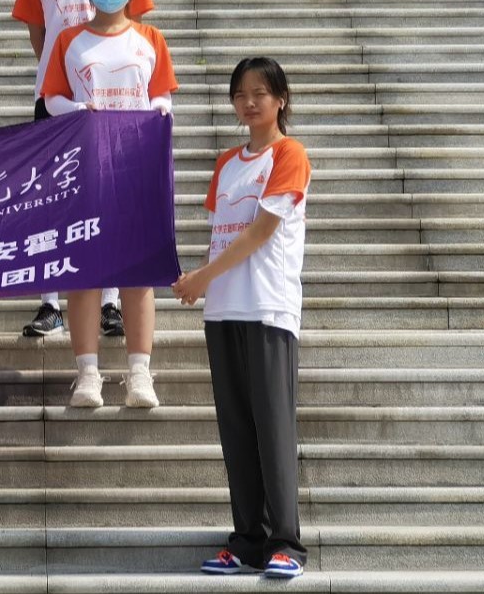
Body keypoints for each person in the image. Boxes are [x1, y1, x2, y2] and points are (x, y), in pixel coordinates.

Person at [173, 57, 310, 579]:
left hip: (268, 306)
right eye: (240, 94)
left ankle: (286, 543)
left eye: (260, 93)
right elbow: (221, 233)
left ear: (280, 99)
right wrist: (201, 280)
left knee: (273, 427)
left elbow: (259, 232)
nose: (249, 103)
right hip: (224, 309)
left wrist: (203, 277)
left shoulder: (289, 154)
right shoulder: (227, 163)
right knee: (236, 430)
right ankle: (248, 540)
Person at [12, 0, 157, 338]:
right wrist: (65, 77)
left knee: (111, 198)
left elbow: (134, 29)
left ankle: (111, 303)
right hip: (57, 98)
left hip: (114, 102)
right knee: (52, 199)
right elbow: (40, 34)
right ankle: (50, 302)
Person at [39, 0, 177, 409]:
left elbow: (162, 94)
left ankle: (139, 374)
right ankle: (87, 375)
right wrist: (80, 108)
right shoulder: (70, 40)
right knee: (85, 272)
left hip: (136, 165)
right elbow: (52, 99)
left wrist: (157, 110)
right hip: (86, 165)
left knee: (138, 274)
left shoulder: (149, 38)